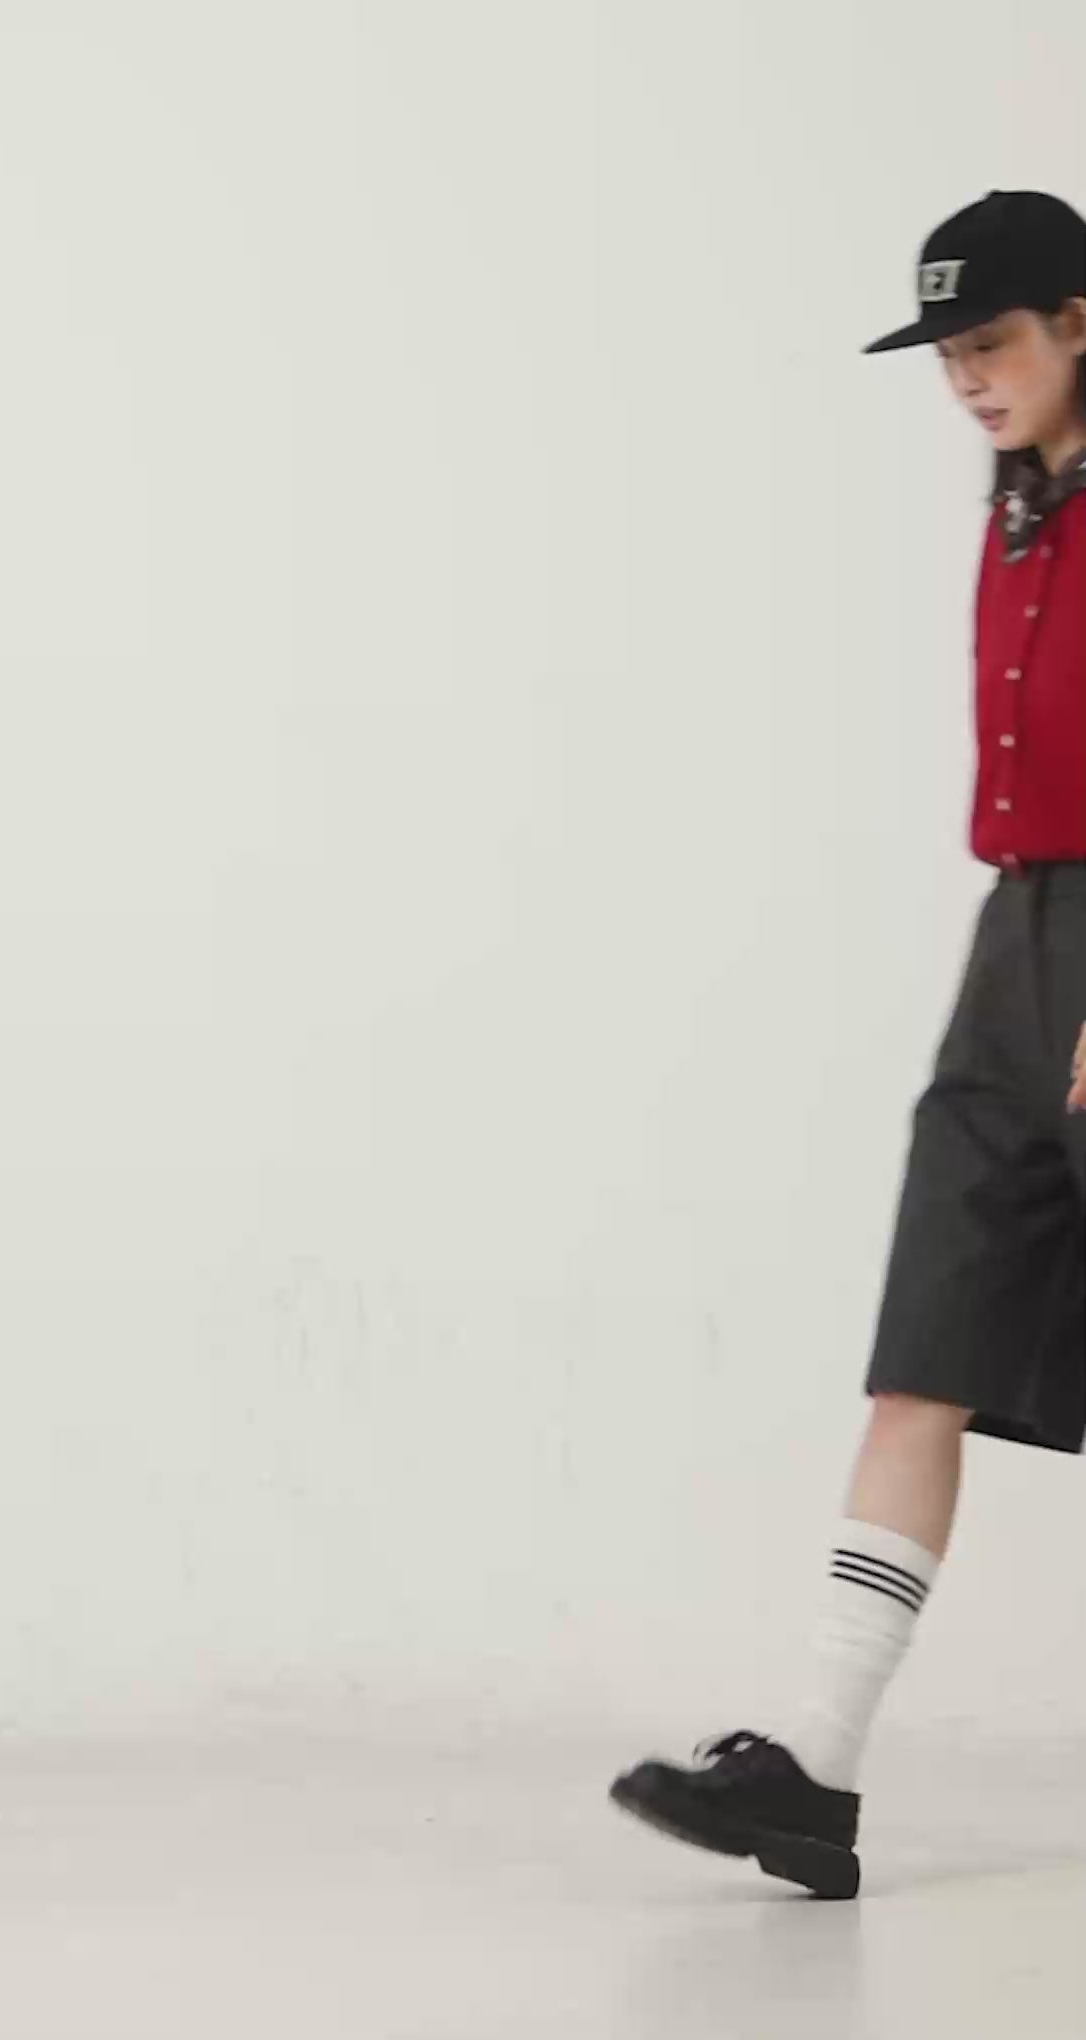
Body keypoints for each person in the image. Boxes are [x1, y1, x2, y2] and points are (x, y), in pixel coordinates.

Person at [608, 189, 1086, 1902]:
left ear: (1082, 324)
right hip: (1014, 948)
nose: (968, 379)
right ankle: (816, 1764)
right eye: (948, 355)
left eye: (993, 343)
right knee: (923, 1353)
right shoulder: (1020, 501)